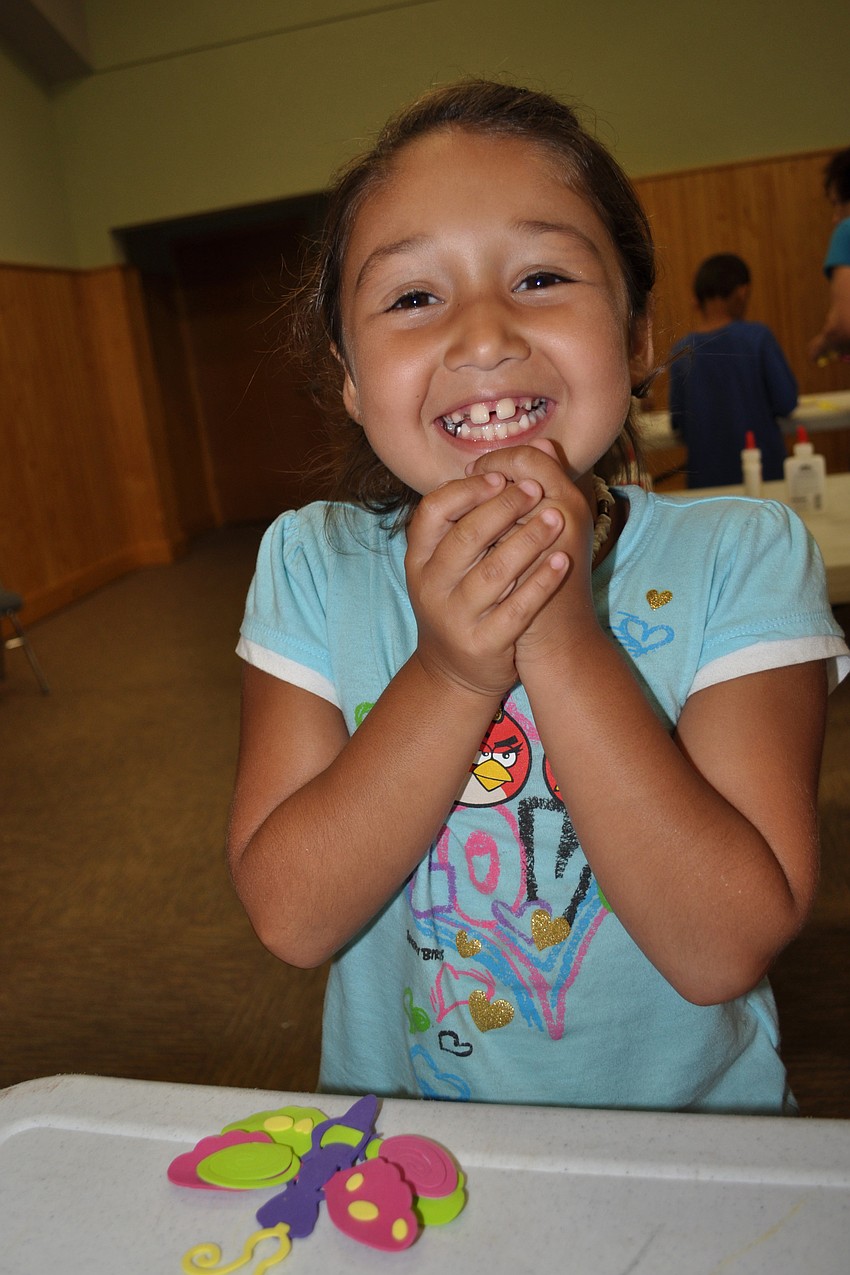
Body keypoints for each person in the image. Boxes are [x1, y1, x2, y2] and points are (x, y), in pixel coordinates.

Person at [227, 80, 849, 1115]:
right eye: (414, 297)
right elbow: (292, 919)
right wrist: (449, 672)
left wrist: (559, 643)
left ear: (638, 333)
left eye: (543, 275)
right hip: (416, 1167)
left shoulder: (745, 553)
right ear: (346, 373)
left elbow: (722, 947)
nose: (482, 336)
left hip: (686, 1167)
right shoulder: (310, 562)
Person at [668, 254, 798, 488]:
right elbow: (786, 401)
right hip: (763, 480)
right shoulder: (758, 339)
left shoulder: (681, 352)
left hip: (706, 489)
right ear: (742, 292)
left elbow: (679, 423)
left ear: (699, 298)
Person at [808, 146, 850, 363]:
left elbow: (844, 324)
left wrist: (824, 342)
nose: (835, 218)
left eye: (837, 204)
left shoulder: (847, 230)